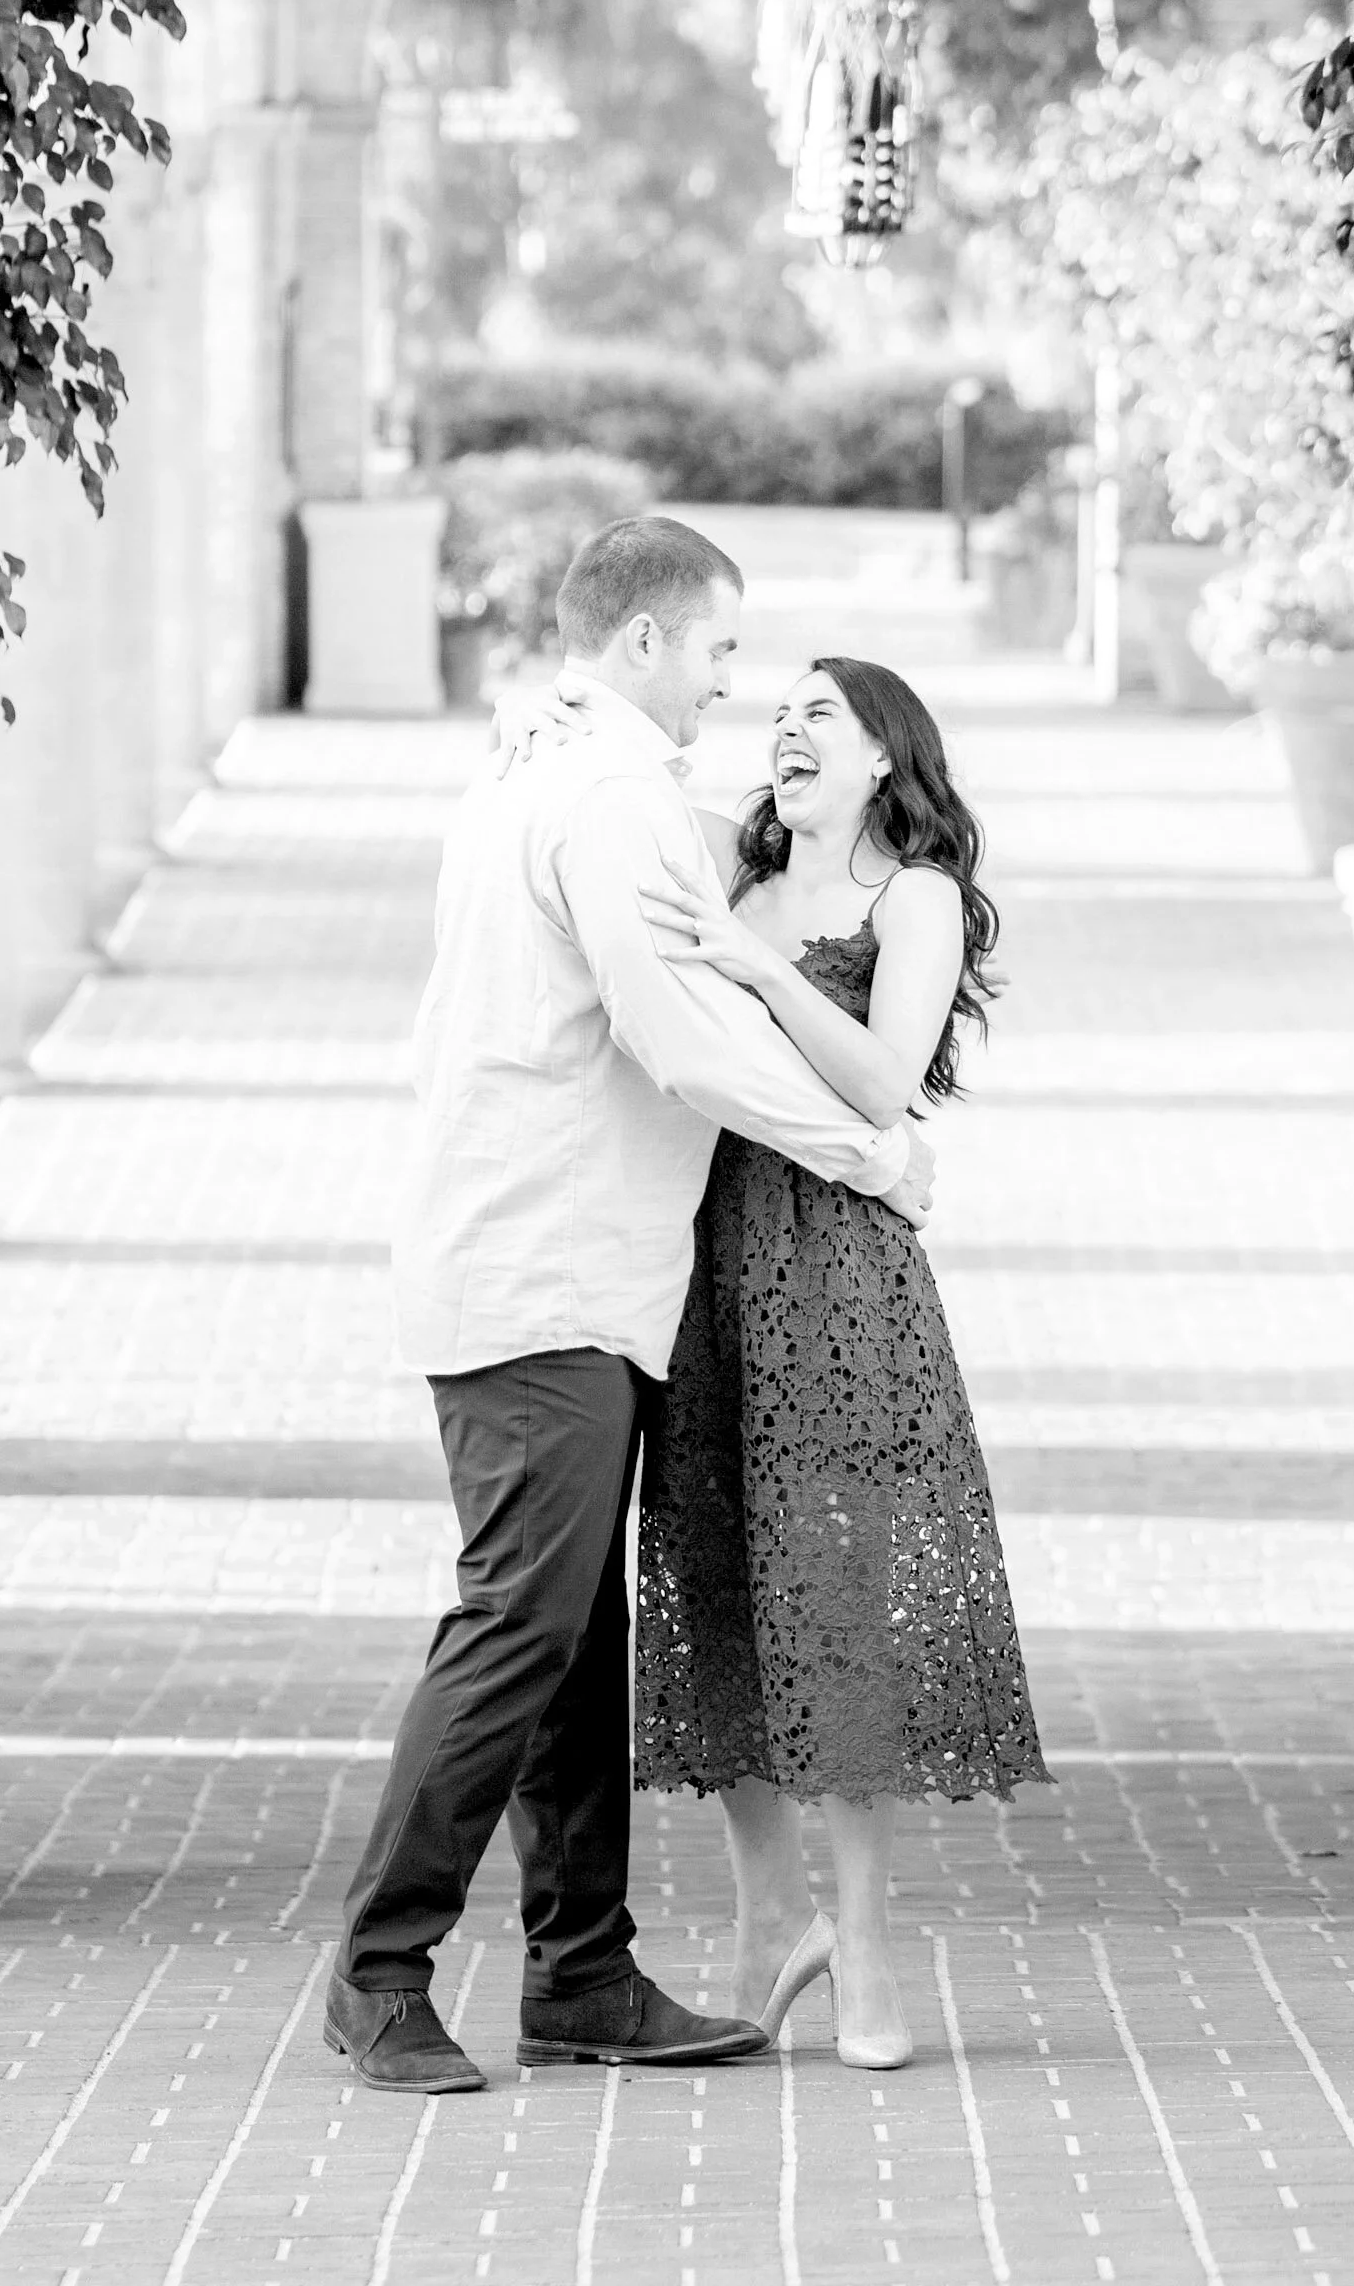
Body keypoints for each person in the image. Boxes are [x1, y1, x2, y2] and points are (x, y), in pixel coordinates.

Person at [323, 522, 938, 2098]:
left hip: (575, 1276)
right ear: (651, 644)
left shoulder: (557, 769)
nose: (735, 689)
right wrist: (866, 1150)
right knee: (518, 1631)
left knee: (577, 1642)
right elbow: (679, 1038)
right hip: (541, 1275)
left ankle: (583, 1978)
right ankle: (379, 1976)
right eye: (724, 654)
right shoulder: (603, 795)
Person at [632, 655, 1047, 2071]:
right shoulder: (726, 880)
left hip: (843, 1280)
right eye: (782, 713)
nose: (792, 729)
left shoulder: (908, 896)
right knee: (718, 1597)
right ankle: (769, 1923)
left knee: (839, 1609)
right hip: (705, 1270)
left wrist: (752, 966)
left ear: (886, 759)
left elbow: (882, 1078)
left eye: (828, 712)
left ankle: (864, 1949)